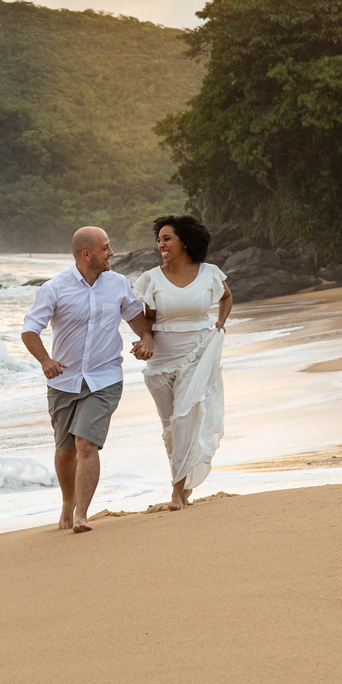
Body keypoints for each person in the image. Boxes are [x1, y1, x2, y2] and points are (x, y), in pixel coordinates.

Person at [22, 226, 154, 533]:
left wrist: (147, 338)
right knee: (65, 449)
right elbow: (30, 329)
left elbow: (137, 319)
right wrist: (45, 361)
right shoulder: (54, 288)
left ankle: (81, 514)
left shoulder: (118, 284)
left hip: (105, 378)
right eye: (105, 248)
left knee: (86, 443)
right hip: (63, 381)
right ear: (87, 254)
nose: (112, 253)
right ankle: (68, 502)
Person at [132, 215, 232, 510]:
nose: (160, 244)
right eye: (159, 240)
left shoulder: (210, 273)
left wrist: (220, 323)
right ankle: (184, 482)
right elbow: (146, 319)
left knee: (185, 420)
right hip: (161, 361)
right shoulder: (151, 278)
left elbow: (226, 297)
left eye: (167, 238)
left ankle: (176, 491)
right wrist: (146, 340)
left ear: (185, 242)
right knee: (171, 429)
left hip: (197, 355)